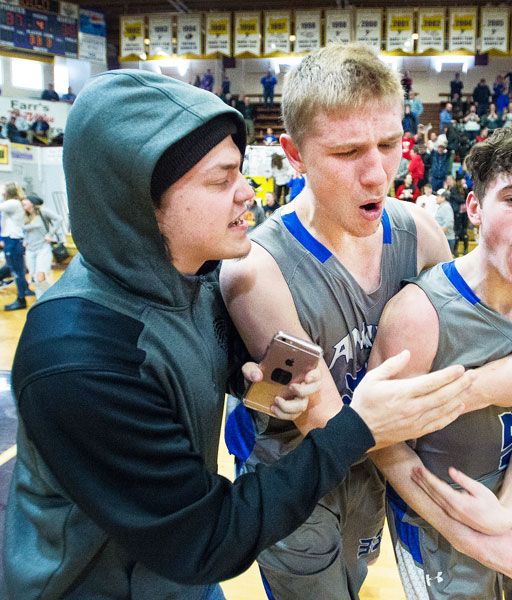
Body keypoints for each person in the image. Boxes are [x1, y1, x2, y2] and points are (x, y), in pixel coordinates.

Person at [3, 68, 468, 600]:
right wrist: (357, 426)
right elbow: (207, 539)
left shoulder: (191, 281)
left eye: (239, 173)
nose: (248, 193)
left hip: (175, 582)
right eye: (221, 181)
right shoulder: (78, 358)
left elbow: (233, 377)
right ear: (139, 200)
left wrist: (260, 387)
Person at [220, 43, 512, 600]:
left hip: (378, 476)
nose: (376, 173)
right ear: (294, 154)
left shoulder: (417, 231)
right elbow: (332, 426)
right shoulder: (255, 271)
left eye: (389, 144)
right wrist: (474, 538)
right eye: (347, 152)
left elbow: (476, 326)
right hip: (298, 479)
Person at [371, 118, 512, 600]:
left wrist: (505, 511)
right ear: (474, 208)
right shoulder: (421, 312)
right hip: (436, 526)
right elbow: (384, 445)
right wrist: (472, 533)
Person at [21, 194, 62, 298]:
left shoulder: (42, 211)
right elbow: (25, 230)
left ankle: (49, 297)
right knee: (33, 278)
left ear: (32, 202)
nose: (23, 202)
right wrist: (25, 240)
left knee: (40, 276)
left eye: (26, 200)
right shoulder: (25, 215)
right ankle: (42, 299)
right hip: (30, 250)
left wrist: (50, 234)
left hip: (43, 249)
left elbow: (58, 219)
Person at [0, 181, 31, 310]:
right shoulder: (14, 203)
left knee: (16, 271)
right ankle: (24, 292)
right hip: (12, 240)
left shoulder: (12, 203)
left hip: (13, 241)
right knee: (16, 269)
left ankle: (21, 300)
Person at [433, 188, 455, 253]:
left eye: (438, 196)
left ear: (443, 198)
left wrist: (439, 235)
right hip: (444, 239)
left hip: (446, 239)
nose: (436, 198)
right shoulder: (443, 207)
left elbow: (449, 223)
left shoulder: (446, 207)